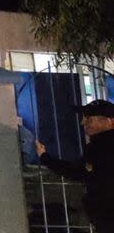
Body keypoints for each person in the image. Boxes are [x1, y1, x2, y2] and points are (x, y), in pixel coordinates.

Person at [35, 99, 114, 232]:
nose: (83, 123)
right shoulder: (99, 146)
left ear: (108, 121)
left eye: (88, 118)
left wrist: (45, 158)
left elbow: (77, 172)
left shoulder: (102, 147)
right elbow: (79, 172)